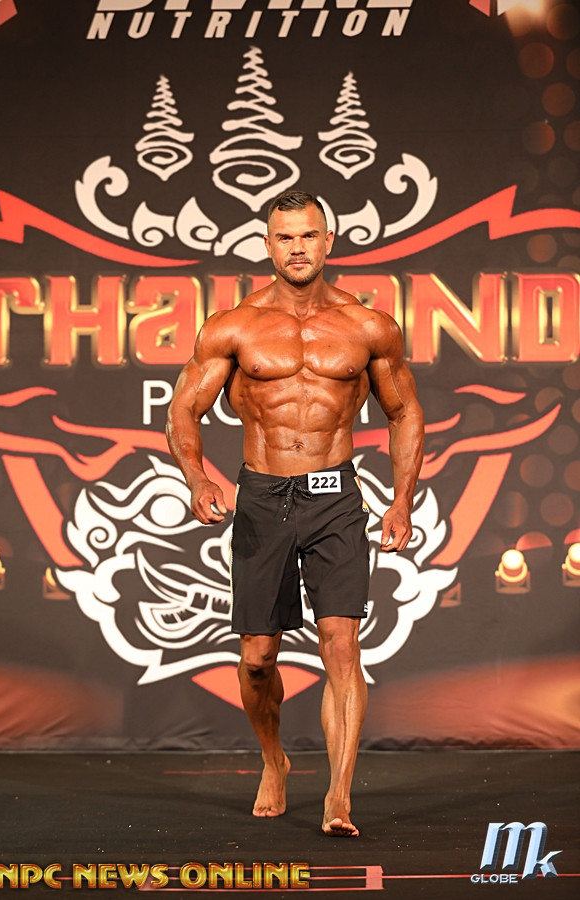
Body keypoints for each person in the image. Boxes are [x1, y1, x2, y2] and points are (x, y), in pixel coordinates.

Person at [166, 189, 424, 837]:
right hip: (263, 497)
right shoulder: (233, 326)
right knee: (257, 658)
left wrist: (402, 499)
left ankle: (339, 795)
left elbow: (403, 412)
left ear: (328, 240)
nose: (298, 248)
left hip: (335, 496)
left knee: (342, 644)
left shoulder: (369, 326)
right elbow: (184, 410)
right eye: (285, 237)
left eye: (309, 235)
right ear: (267, 245)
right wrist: (197, 477)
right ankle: (274, 760)